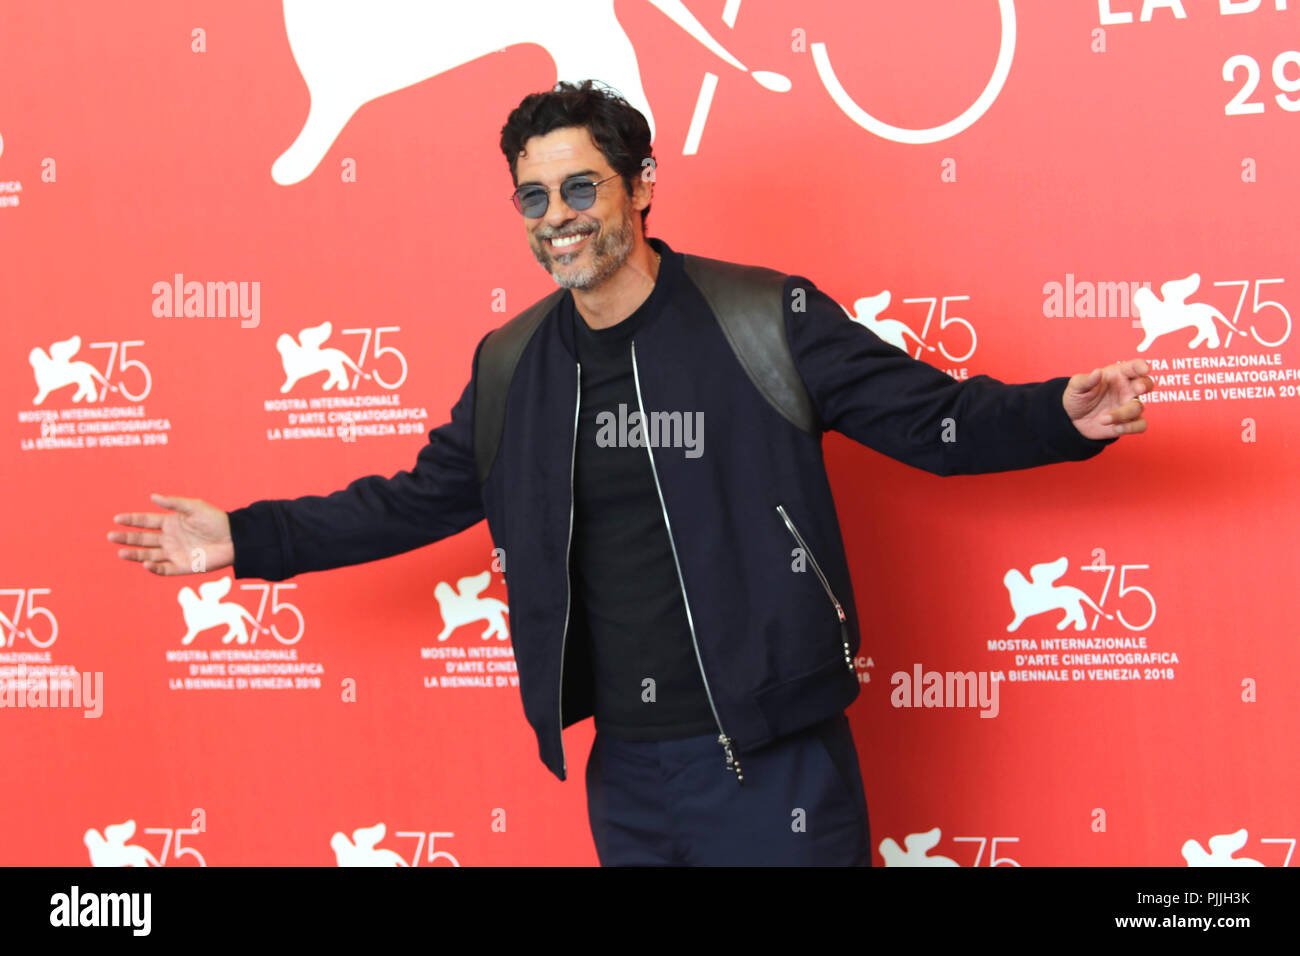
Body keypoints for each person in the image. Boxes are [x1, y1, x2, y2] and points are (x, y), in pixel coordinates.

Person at [109, 79, 1155, 866]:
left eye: (578, 186)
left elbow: (934, 418)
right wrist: (244, 537)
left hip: (775, 762)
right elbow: (416, 497)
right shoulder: (514, 362)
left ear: (642, 186)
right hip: (625, 774)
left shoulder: (760, 317)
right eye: (531, 197)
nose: (555, 215)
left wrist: (1055, 413)